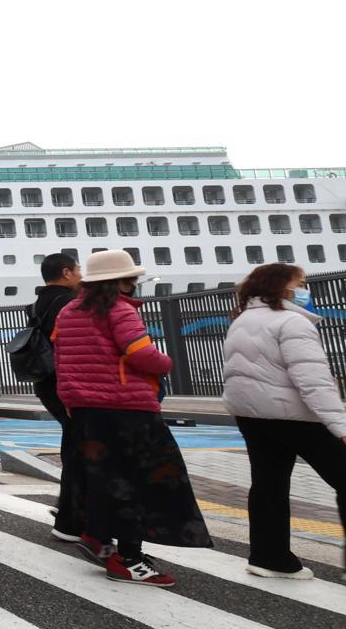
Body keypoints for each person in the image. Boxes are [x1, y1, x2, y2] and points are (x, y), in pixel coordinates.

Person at [54, 249, 211, 588]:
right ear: (123, 281)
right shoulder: (120, 309)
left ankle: (98, 535)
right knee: (141, 482)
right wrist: (166, 363)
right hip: (128, 409)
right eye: (133, 279)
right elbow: (140, 353)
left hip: (85, 409)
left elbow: (61, 360)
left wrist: (69, 399)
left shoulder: (68, 311)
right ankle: (129, 559)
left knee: (103, 477)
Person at [222, 263, 346, 579]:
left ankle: (270, 558)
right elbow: (313, 380)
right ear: (283, 288)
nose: (305, 290)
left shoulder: (241, 320)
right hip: (295, 416)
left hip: (252, 415)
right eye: (300, 284)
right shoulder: (291, 322)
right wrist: (341, 425)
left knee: (269, 484)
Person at [29, 254, 84, 545]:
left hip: (47, 382)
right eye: (78, 269)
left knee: (74, 442)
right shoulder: (67, 303)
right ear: (66, 272)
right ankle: (69, 518)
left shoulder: (41, 301)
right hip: (64, 384)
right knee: (80, 447)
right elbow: (68, 348)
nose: (81, 274)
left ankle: (67, 507)